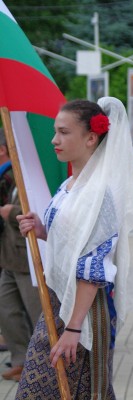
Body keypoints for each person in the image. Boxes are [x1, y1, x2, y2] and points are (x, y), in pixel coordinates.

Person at [15, 98, 133, 398]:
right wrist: (42, 230)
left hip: (82, 310)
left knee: (72, 389)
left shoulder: (101, 193)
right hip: (60, 303)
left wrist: (73, 329)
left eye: (63, 132)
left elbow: (94, 264)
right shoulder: (72, 185)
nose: (54, 140)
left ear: (90, 137)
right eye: (56, 132)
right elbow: (72, 240)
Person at [0, 128, 43, 382]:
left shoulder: (31, 176)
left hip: (27, 257)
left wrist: (11, 211)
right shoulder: (14, 175)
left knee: (36, 311)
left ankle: (41, 363)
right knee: (7, 309)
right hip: (9, 257)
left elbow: (38, 210)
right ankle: (20, 359)